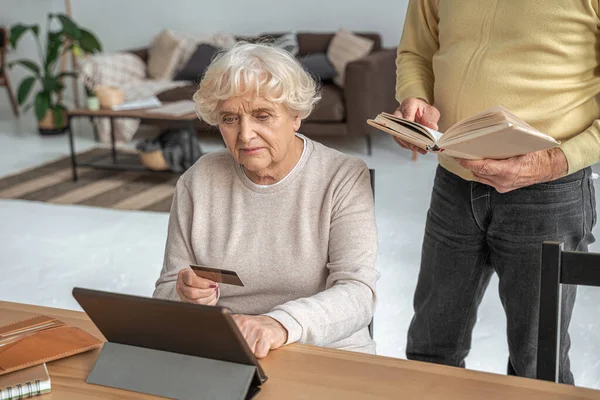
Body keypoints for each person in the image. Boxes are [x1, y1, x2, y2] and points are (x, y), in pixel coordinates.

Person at [395, 0, 599, 383]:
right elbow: (416, 51)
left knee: (539, 366)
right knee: (428, 348)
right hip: (453, 184)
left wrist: (554, 161)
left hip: (549, 193)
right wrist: (416, 96)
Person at [153, 43, 378, 358]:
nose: (245, 135)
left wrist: (279, 325)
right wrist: (183, 293)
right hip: (230, 349)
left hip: (325, 352)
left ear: (295, 115)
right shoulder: (197, 181)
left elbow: (358, 295)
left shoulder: (342, 177)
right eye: (230, 119)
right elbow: (164, 291)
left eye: (262, 115)